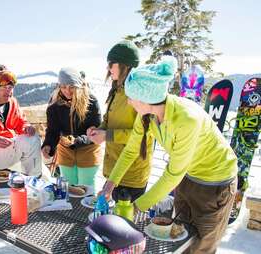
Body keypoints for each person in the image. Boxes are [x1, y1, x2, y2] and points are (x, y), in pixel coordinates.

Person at [101, 56, 238, 254]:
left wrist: (137, 207)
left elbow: (172, 174)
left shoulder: (186, 119)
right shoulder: (146, 115)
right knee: (179, 237)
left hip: (215, 183)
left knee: (201, 246)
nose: (129, 101)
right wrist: (110, 184)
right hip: (188, 177)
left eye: (131, 97)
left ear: (145, 98)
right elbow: (131, 151)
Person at [87, 40, 154, 201]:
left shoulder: (141, 94)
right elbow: (108, 120)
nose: (108, 69)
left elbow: (145, 135)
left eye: (112, 64)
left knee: (125, 223)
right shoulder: (117, 90)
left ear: (125, 65)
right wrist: (99, 130)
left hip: (132, 175)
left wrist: (107, 135)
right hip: (113, 171)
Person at [41, 67, 101, 187]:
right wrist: (48, 145)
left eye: (71, 87)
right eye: (63, 87)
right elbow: (53, 130)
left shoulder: (91, 102)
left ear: (78, 86)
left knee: (87, 190)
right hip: (66, 152)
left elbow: (97, 131)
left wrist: (77, 140)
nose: (67, 91)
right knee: (68, 190)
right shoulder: (54, 105)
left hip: (88, 152)